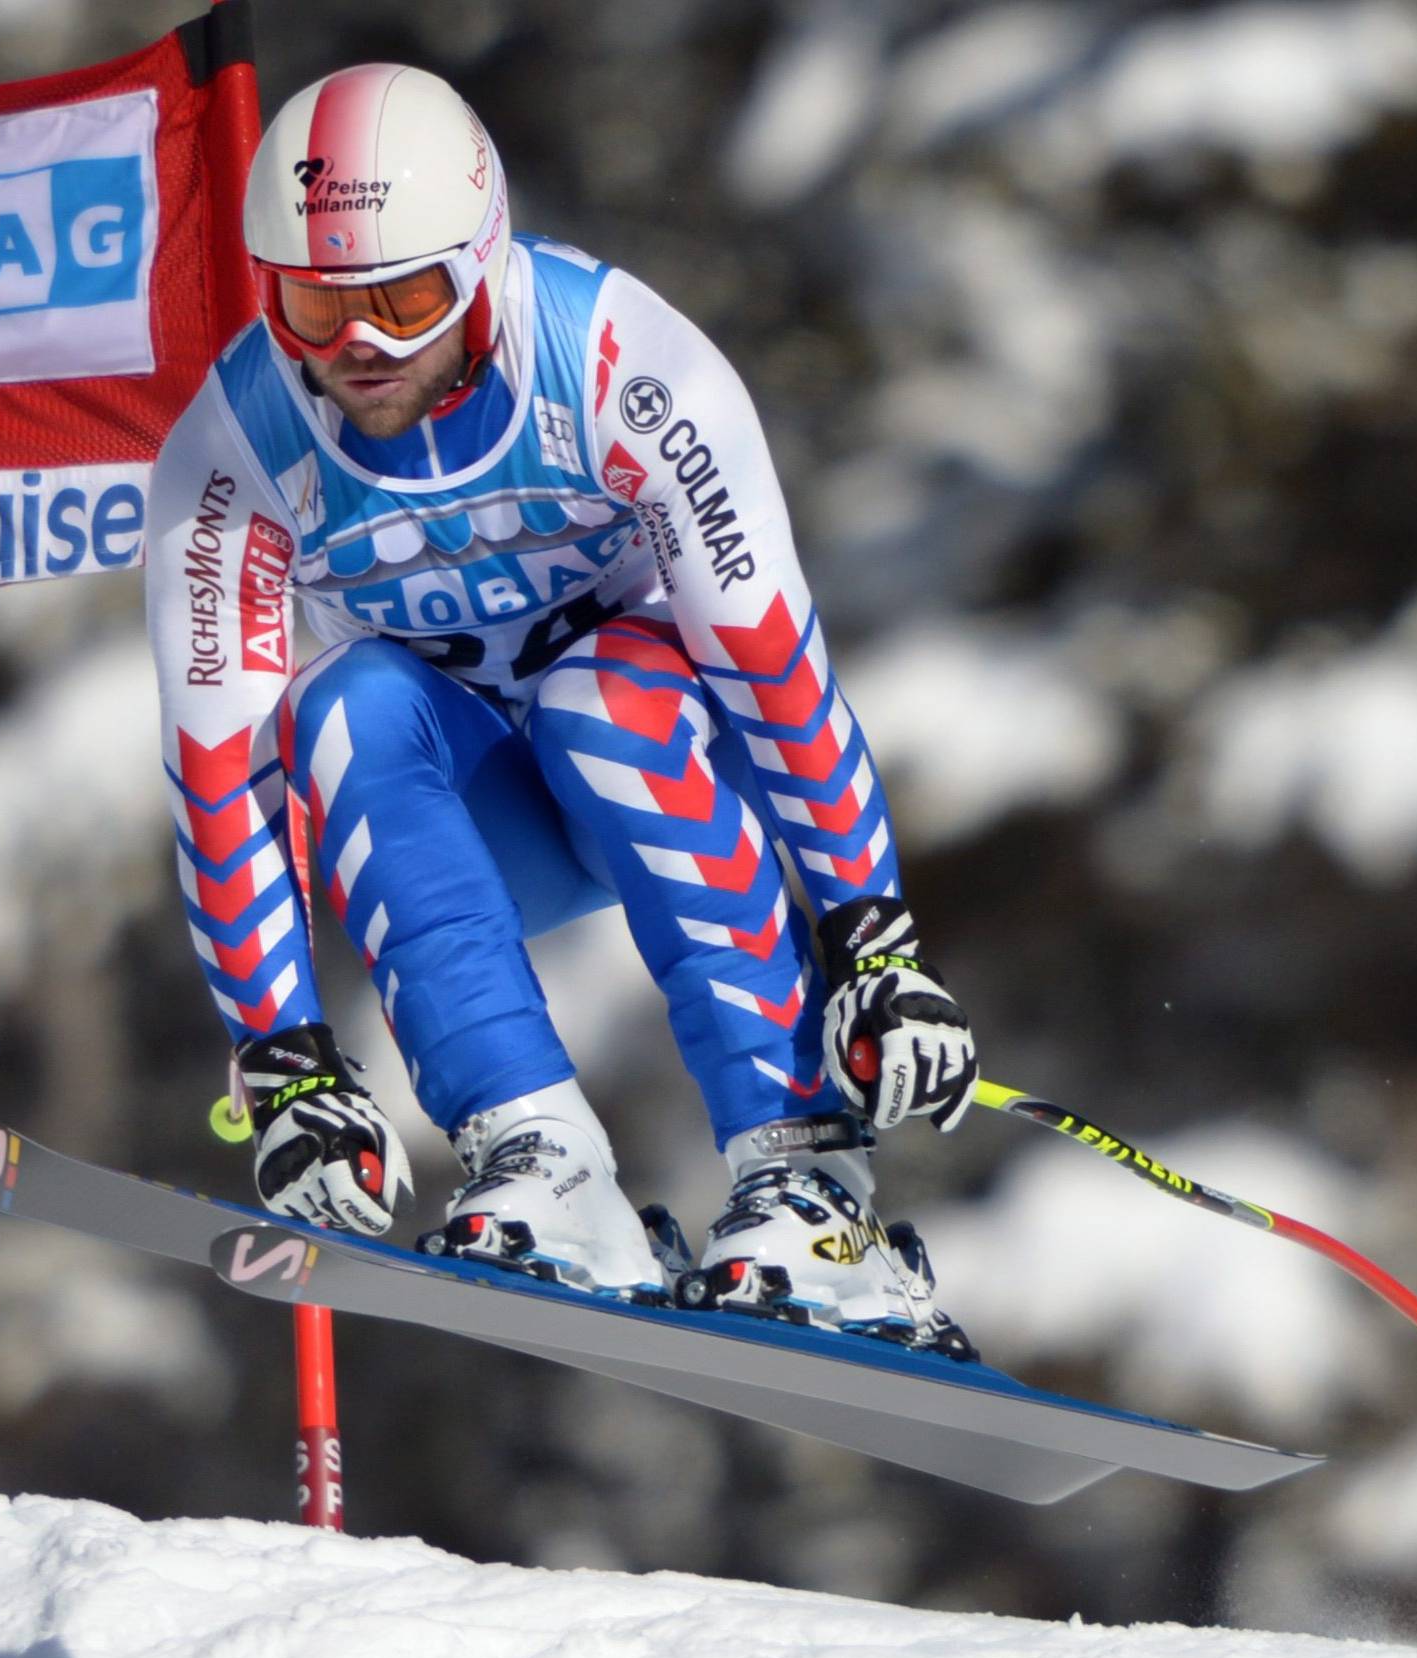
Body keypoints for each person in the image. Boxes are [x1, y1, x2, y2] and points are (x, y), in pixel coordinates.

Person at [145, 61, 978, 1344]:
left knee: (604, 690)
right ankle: (542, 1161)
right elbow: (221, 776)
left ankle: (810, 1178)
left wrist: (875, 937)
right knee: (347, 705)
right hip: (481, 829)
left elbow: (772, 665)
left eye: (405, 299)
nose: (359, 348)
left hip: (690, 769)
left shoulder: (615, 364)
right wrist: (286, 1062)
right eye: (313, 305)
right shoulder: (237, 447)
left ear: (478, 264)